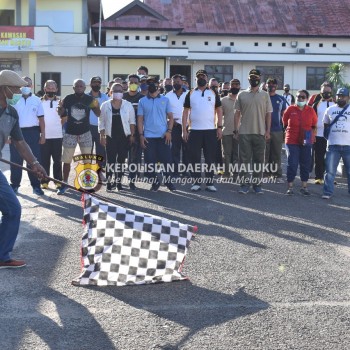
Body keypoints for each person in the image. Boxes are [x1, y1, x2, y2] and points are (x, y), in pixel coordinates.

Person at [0, 69, 47, 268]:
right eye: (16, 88)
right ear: (4, 88)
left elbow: (20, 142)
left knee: (13, 209)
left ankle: (2, 256)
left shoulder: (11, 112)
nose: (19, 91)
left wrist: (34, 163)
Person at [57, 78, 100, 195]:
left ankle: (87, 185)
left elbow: (98, 114)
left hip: (85, 132)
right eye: (77, 86)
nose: (79, 88)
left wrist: (97, 106)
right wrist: (60, 108)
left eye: (81, 86)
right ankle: (64, 183)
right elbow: (61, 114)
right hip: (70, 133)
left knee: (87, 161)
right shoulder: (68, 99)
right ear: (73, 88)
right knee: (66, 161)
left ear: (85, 88)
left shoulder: (90, 99)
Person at [182, 69, 223, 192]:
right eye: (198, 76)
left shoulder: (214, 93)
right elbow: (185, 112)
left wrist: (219, 127)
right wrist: (184, 130)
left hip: (210, 130)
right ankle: (196, 182)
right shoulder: (190, 93)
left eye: (203, 76)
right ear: (195, 79)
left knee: (210, 158)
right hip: (194, 130)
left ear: (206, 79)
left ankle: (210, 183)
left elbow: (219, 111)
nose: (201, 78)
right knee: (194, 157)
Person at [233, 69, 272, 194]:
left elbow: (268, 114)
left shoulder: (265, 95)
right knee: (244, 159)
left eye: (256, 77)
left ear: (259, 79)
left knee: (259, 159)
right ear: (248, 79)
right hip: (244, 132)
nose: (254, 79)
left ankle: (257, 185)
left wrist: (268, 130)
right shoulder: (241, 94)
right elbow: (237, 113)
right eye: (252, 77)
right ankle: (244, 184)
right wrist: (236, 130)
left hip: (260, 132)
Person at [137, 77, 176, 192]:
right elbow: (140, 119)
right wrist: (141, 135)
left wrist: (169, 131)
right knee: (149, 162)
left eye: (154, 84)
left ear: (158, 85)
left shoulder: (165, 100)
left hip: (163, 136)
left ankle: (169, 182)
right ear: (147, 87)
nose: (152, 86)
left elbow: (171, 117)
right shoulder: (142, 101)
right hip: (148, 136)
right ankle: (155, 182)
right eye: (150, 84)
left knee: (167, 160)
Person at [10, 76, 45, 195]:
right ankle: (14, 185)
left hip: (33, 132)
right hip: (16, 132)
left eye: (28, 85)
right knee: (15, 161)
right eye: (23, 85)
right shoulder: (13, 99)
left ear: (32, 86)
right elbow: (9, 118)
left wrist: (43, 135)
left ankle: (36, 186)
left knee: (33, 160)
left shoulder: (37, 100)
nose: (25, 87)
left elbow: (41, 119)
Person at [99, 83, 136, 192]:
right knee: (110, 161)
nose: (118, 92)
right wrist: (102, 136)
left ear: (123, 92)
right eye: (115, 90)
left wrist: (132, 135)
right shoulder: (105, 105)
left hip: (124, 137)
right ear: (110, 92)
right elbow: (101, 122)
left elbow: (132, 122)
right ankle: (110, 183)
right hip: (110, 137)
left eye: (120, 90)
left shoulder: (128, 105)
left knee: (121, 161)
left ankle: (119, 182)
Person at [282, 89, 317, 196]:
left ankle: (304, 187)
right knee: (292, 163)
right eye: (298, 96)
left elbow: (314, 125)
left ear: (306, 99)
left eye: (302, 97)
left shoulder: (311, 110)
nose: (300, 98)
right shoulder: (290, 109)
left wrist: (313, 137)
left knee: (305, 163)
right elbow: (284, 122)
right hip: (291, 140)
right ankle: (290, 187)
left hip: (306, 140)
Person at [322, 87, 350, 199]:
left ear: (348, 97)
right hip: (333, 145)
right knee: (330, 171)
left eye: (343, 96)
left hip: (348, 146)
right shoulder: (330, 110)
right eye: (338, 95)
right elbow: (326, 126)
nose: (340, 98)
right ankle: (327, 192)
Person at [40, 80, 63, 190]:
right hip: (44, 136)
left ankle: (58, 181)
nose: (51, 90)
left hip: (57, 136)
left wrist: (57, 126)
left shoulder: (61, 102)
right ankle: (44, 180)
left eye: (53, 88)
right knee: (44, 160)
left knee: (57, 160)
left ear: (57, 89)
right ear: (44, 89)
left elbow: (64, 118)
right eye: (48, 88)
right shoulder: (39, 102)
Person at [311, 82, 335, 184]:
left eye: (328, 91)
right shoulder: (316, 104)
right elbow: (311, 120)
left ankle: (329, 178)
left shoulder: (336, 104)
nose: (326, 93)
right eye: (324, 91)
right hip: (319, 134)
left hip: (333, 136)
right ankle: (319, 177)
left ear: (331, 92)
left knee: (331, 158)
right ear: (320, 92)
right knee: (319, 157)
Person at [123, 74, 144, 189]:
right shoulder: (122, 97)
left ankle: (132, 181)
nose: (133, 84)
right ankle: (118, 180)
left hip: (136, 133)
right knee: (120, 157)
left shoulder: (142, 98)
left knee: (134, 158)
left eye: (135, 82)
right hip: (121, 132)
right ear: (127, 83)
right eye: (131, 82)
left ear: (139, 84)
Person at [166, 74, 188, 177]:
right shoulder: (167, 95)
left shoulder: (188, 94)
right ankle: (175, 171)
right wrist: (170, 120)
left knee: (187, 149)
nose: (176, 84)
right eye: (174, 82)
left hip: (187, 126)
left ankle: (185, 171)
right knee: (174, 149)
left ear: (182, 82)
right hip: (174, 126)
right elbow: (164, 111)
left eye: (178, 82)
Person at [265, 78, 287, 182]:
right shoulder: (262, 98)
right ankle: (264, 174)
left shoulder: (281, 99)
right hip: (263, 130)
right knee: (265, 153)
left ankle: (277, 175)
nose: (271, 85)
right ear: (266, 85)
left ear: (277, 86)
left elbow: (285, 115)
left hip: (277, 130)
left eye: (273, 84)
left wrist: (285, 129)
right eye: (269, 84)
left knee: (276, 153)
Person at [88, 76, 109, 169]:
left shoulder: (105, 97)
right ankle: (87, 171)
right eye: (94, 82)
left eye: (98, 83)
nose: (96, 84)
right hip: (88, 127)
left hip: (101, 128)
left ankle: (99, 170)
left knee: (101, 151)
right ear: (90, 84)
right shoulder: (86, 97)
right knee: (88, 151)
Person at [221, 78, 240, 177]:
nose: (235, 87)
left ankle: (236, 172)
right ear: (229, 86)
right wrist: (218, 128)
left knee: (237, 154)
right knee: (226, 154)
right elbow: (219, 116)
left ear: (240, 86)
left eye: (237, 85)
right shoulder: (223, 100)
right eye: (233, 85)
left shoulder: (242, 99)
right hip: (227, 131)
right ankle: (226, 173)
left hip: (240, 131)